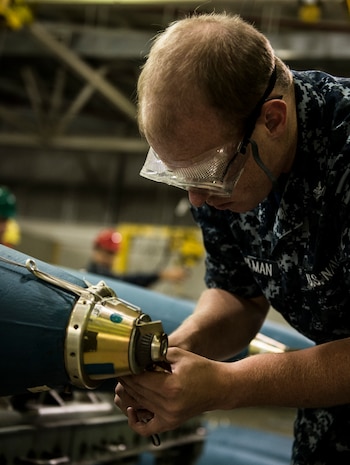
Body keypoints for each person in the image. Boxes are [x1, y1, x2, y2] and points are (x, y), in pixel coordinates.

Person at [113, 12, 350, 465]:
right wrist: (178, 351)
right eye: (182, 178)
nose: (197, 200)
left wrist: (226, 385)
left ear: (273, 120)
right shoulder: (226, 165)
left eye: (208, 176)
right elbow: (237, 296)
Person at [87, 228, 187, 287]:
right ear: (96, 250)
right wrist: (161, 275)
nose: (110, 259)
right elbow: (124, 283)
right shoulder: (94, 278)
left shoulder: (102, 274)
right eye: (107, 253)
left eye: (113, 254)